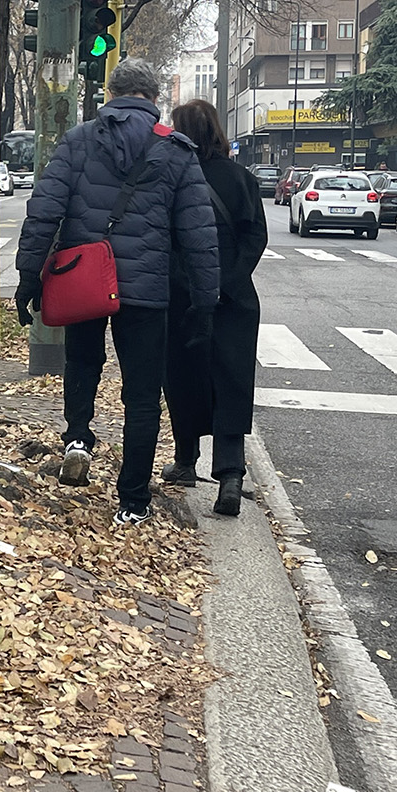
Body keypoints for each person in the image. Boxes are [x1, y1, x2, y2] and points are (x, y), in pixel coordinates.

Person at [14, 57, 219, 527]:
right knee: (142, 394)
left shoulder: (79, 140)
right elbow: (199, 234)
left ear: (110, 94)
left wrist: (29, 277)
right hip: (146, 288)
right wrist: (204, 301)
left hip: (84, 279)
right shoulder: (176, 150)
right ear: (153, 98)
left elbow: (44, 211)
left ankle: (78, 437)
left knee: (82, 361)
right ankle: (133, 501)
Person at [160, 100, 269, 516]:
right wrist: (229, 282)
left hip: (183, 297)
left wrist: (191, 285)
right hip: (236, 299)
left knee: (183, 377)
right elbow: (255, 237)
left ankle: (185, 461)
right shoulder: (243, 178)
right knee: (232, 382)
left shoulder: (174, 178)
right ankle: (230, 475)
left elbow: (166, 241)